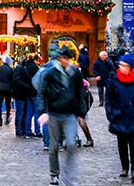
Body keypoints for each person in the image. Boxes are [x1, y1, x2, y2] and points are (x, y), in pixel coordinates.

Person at [38, 47, 85, 186]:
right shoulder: (50, 72)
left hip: (69, 114)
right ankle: (54, 174)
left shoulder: (75, 73)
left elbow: (80, 92)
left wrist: (81, 113)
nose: (66, 61)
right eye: (64, 58)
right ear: (59, 59)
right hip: (54, 113)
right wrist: (43, 111)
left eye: (68, 59)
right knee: (53, 146)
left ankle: (69, 174)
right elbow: (42, 92)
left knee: (71, 144)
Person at [106, 53, 134, 184]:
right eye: (121, 65)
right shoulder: (113, 79)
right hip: (119, 115)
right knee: (122, 143)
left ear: (130, 67)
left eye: (125, 65)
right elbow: (109, 99)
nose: (122, 67)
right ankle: (125, 167)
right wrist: (111, 114)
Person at [12, 55, 39, 138]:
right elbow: (17, 80)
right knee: (21, 112)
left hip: (24, 94)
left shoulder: (24, 68)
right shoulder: (20, 68)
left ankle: (23, 130)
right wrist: (26, 86)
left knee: (25, 112)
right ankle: (19, 130)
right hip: (20, 94)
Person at [0, 54, 15, 126]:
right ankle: (7, 118)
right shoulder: (11, 70)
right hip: (8, 89)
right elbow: (13, 80)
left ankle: (0, 120)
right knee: (8, 105)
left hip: (0, 88)